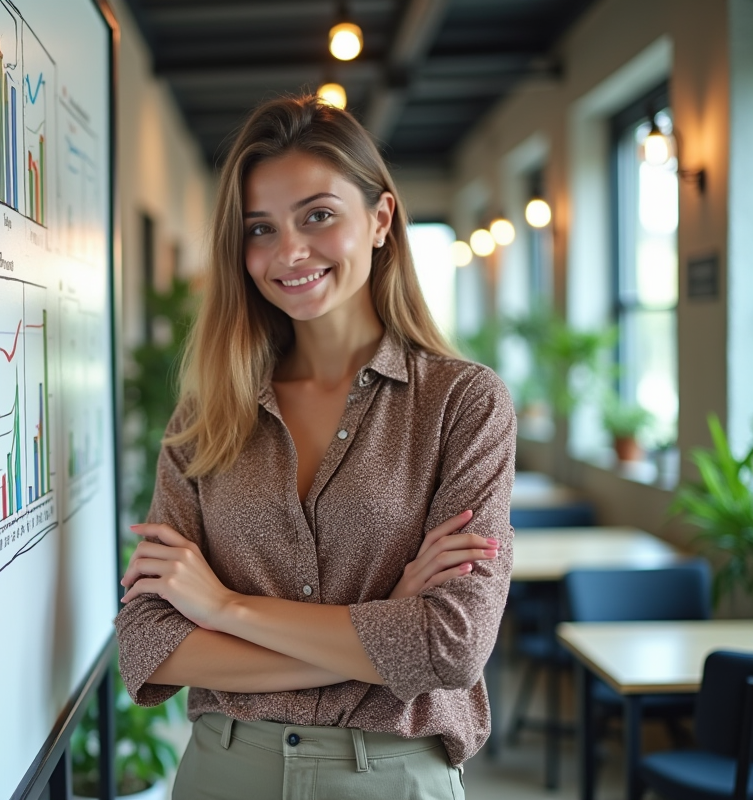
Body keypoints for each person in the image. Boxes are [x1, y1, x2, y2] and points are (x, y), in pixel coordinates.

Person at [114, 95, 516, 800]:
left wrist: (224, 609)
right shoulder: (208, 413)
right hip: (224, 773)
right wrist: (385, 623)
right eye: (260, 228)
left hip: (393, 776)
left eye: (319, 216)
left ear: (382, 219)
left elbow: (449, 647)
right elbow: (148, 643)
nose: (288, 253)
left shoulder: (463, 403)